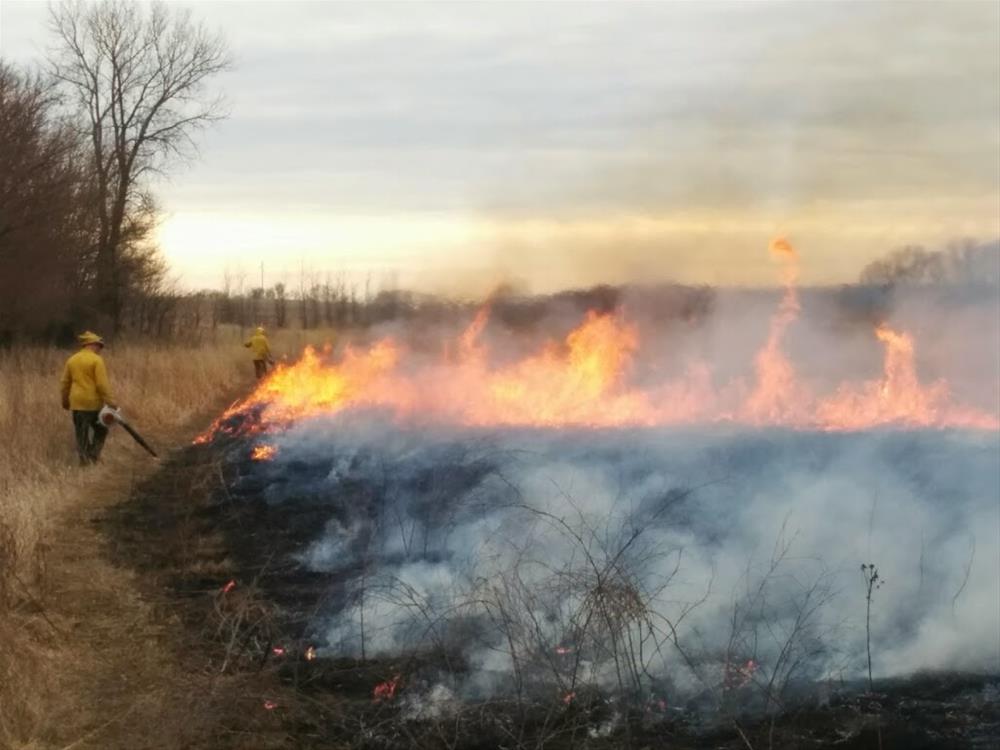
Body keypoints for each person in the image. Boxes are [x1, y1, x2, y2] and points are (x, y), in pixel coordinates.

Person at [60, 331, 116, 465]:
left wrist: (65, 401)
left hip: (77, 403)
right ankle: (93, 456)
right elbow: (102, 384)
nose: (100, 349)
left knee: (81, 434)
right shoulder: (97, 360)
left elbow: (64, 383)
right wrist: (111, 402)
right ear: (92, 344)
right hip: (93, 404)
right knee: (101, 430)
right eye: (99, 346)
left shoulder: (72, 360)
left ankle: (84, 462)